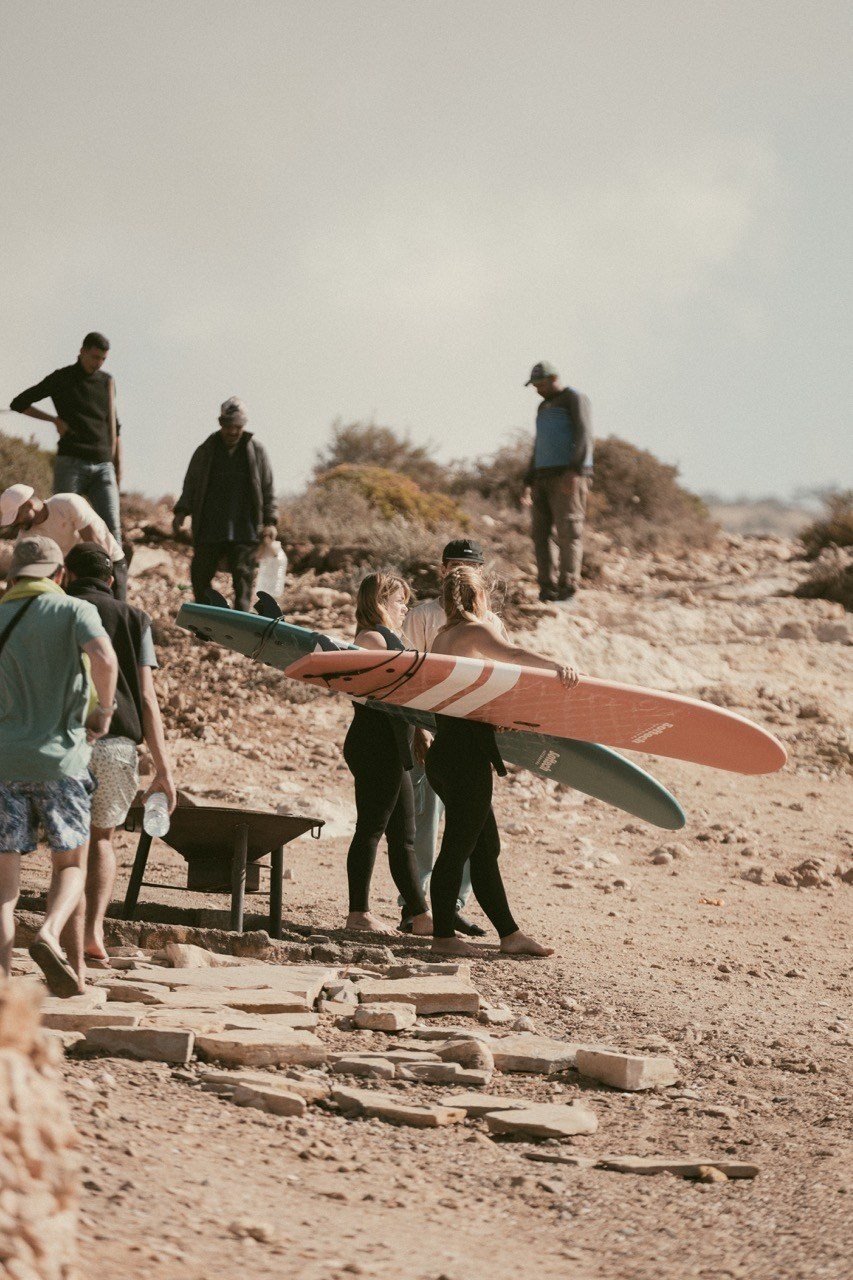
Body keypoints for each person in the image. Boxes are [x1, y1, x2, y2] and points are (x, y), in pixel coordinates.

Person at [426, 564, 578, 958]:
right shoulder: (474, 631)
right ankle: (443, 936)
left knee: (484, 846)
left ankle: (510, 935)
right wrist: (556, 666)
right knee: (458, 847)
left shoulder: (443, 637)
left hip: (447, 752)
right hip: (464, 758)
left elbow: (463, 698)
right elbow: (513, 654)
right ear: (479, 596)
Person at [0, 536, 118, 996]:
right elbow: (104, 657)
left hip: (4, 762)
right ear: (60, 574)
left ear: (13, 577)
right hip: (62, 760)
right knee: (70, 863)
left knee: (4, 888)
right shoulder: (74, 610)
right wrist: (104, 711)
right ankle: (49, 932)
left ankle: (2, 984)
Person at [63, 543, 176, 971]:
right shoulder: (135, 619)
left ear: (67, 575)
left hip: (64, 740)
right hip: (117, 746)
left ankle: (61, 935)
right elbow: (147, 698)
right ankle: (92, 933)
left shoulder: (57, 609)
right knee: (101, 839)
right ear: (111, 580)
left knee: (64, 844)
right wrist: (163, 769)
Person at [399, 537, 508, 937]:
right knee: (427, 826)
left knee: (473, 835)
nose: (462, 571)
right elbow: (408, 676)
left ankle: (454, 909)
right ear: (442, 569)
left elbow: (502, 676)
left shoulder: (489, 621)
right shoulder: (425, 616)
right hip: (436, 730)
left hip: (468, 736)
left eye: (470, 566)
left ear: (480, 572)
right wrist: (417, 728)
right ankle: (418, 910)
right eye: (455, 564)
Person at [342, 573, 431, 936]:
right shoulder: (371, 638)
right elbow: (383, 691)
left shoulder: (387, 637)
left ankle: (421, 916)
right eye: (399, 601)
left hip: (393, 745)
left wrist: (420, 729)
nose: (405, 608)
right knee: (371, 827)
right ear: (379, 602)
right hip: (374, 743)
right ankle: (358, 914)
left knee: (404, 835)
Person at [9, 332, 123, 544]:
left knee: (112, 527)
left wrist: (117, 465)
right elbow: (19, 403)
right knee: (62, 524)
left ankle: (117, 567)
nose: (98, 363)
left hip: (103, 464)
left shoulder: (107, 381)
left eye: (103, 359)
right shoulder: (62, 378)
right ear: (82, 352)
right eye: (94, 357)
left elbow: (114, 427)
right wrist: (54, 420)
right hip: (71, 463)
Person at [172, 397, 277, 613]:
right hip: (210, 526)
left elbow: (268, 487)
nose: (232, 431)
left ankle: (240, 620)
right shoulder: (206, 449)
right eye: (228, 426)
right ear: (221, 423)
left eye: (237, 426)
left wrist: (270, 521)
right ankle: (207, 618)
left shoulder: (256, 451)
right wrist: (181, 511)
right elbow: (191, 483)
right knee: (200, 574)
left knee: (243, 577)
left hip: (245, 528)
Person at [521, 360, 594, 602]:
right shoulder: (542, 407)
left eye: (540, 384)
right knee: (540, 535)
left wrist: (574, 471)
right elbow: (539, 444)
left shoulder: (574, 398)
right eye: (535, 386)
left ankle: (567, 589)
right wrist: (528, 480)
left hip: (567, 476)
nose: (537, 390)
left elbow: (585, 435)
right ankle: (547, 589)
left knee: (568, 532)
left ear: (553, 379)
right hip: (541, 477)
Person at [0, 484, 128, 601]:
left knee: (115, 610)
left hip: (108, 561)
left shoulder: (66, 504)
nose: (15, 524)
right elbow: (14, 574)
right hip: (73, 572)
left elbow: (97, 547)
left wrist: (99, 586)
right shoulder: (26, 536)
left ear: (29, 504)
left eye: (16, 517)